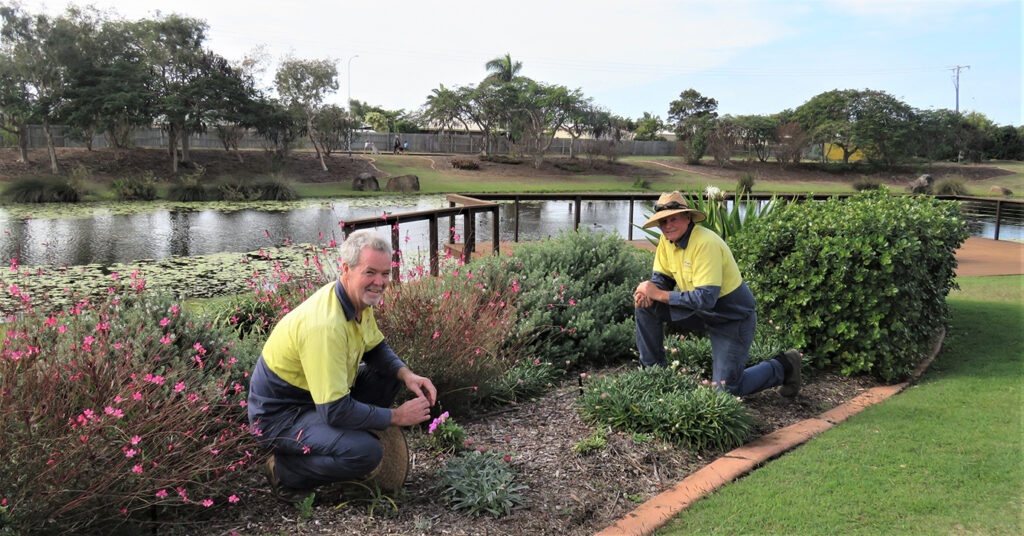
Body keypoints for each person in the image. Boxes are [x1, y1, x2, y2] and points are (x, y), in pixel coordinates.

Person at [247, 229, 437, 501]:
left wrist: (407, 375)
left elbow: (376, 348)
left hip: (317, 400)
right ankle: (286, 470)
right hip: (280, 417)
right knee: (367, 453)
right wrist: (396, 416)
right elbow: (334, 410)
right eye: (370, 272)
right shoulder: (325, 326)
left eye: (385, 274)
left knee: (391, 374)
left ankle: (338, 440)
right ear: (346, 269)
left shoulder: (355, 299)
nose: (380, 282)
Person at [633, 191, 802, 398]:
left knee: (726, 392)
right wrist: (648, 292)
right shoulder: (666, 241)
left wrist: (658, 294)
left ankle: (785, 366)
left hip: (731, 317)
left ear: (687, 217)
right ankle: (654, 375)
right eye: (663, 221)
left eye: (673, 219)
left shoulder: (705, 243)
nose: (667, 225)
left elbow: (705, 299)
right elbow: (662, 278)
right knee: (645, 304)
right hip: (700, 312)